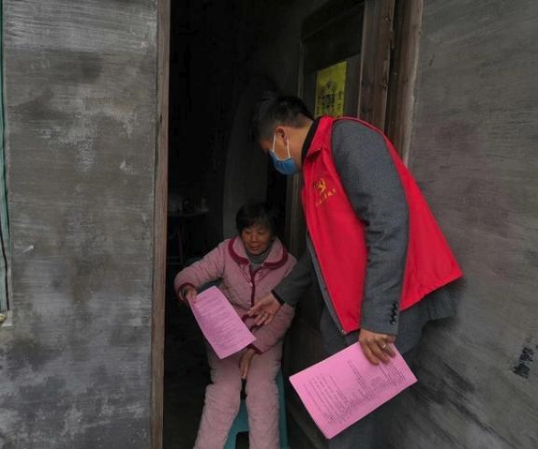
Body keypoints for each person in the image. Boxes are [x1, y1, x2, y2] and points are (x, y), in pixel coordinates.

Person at [248, 93, 463, 448]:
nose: (275, 161)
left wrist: (377, 319)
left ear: (282, 135)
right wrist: (281, 295)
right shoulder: (313, 170)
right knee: (346, 426)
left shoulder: (348, 140)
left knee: (351, 430)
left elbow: (389, 221)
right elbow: (319, 250)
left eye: (270, 151)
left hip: (385, 314)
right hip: (352, 317)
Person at [175, 202, 297, 449]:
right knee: (224, 390)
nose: (253, 239)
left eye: (261, 232)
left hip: (265, 339)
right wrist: (187, 288)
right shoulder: (226, 251)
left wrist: (255, 348)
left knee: (262, 392)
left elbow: (284, 315)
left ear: (273, 233)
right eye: (247, 231)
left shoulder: (288, 265)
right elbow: (189, 274)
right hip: (225, 336)